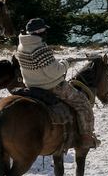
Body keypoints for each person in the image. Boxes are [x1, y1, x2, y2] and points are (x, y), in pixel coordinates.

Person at [16, 17, 98, 148]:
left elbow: (41, 66)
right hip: (51, 86)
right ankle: (86, 138)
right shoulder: (41, 49)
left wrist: (58, 62)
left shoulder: (21, 46)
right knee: (83, 103)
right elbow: (54, 72)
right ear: (40, 31)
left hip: (31, 86)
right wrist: (66, 63)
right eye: (44, 30)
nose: (45, 33)